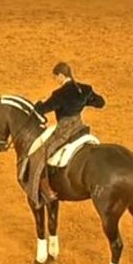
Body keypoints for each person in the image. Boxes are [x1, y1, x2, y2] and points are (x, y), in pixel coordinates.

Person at [26, 62, 105, 208]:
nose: (56, 80)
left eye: (56, 77)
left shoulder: (59, 94)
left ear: (61, 76)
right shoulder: (85, 89)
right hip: (79, 127)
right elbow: (100, 103)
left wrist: (38, 104)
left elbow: (43, 110)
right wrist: (86, 100)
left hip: (64, 130)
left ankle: (47, 191)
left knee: (39, 154)